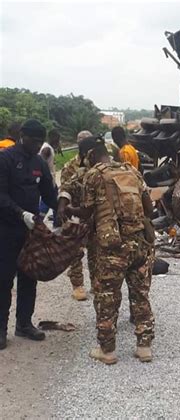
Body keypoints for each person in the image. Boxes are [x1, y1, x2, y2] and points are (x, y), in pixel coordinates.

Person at [65, 138, 155, 364]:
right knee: (140, 295)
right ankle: (144, 347)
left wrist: (68, 209)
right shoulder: (132, 172)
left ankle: (107, 351)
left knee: (107, 297)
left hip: (112, 247)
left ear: (92, 156)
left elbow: (86, 213)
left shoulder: (94, 175)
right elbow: (149, 208)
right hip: (139, 244)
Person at [0, 119, 57, 350]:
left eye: (39, 142)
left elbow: (49, 193)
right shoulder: (5, 159)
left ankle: (24, 323)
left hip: (30, 230)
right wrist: (20, 212)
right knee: (3, 280)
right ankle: (0, 330)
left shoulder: (39, 163)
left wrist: (63, 209)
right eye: (33, 141)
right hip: (6, 229)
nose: (37, 145)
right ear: (22, 136)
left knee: (29, 276)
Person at [57, 130, 93, 301]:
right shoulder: (70, 166)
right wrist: (67, 212)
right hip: (76, 213)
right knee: (75, 251)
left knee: (96, 250)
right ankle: (78, 285)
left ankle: (96, 282)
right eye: (82, 141)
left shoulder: (97, 163)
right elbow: (65, 190)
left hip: (94, 214)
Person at [39, 129, 61, 221]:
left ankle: (58, 220)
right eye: (58, 139)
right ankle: (38, 221)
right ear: (54, 138)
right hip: (48, 181)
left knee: (57, 201)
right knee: (47, 202)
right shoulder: (47, 149)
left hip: (51, 181)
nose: (58, 141)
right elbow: (41, 164)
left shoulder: (48, 147)